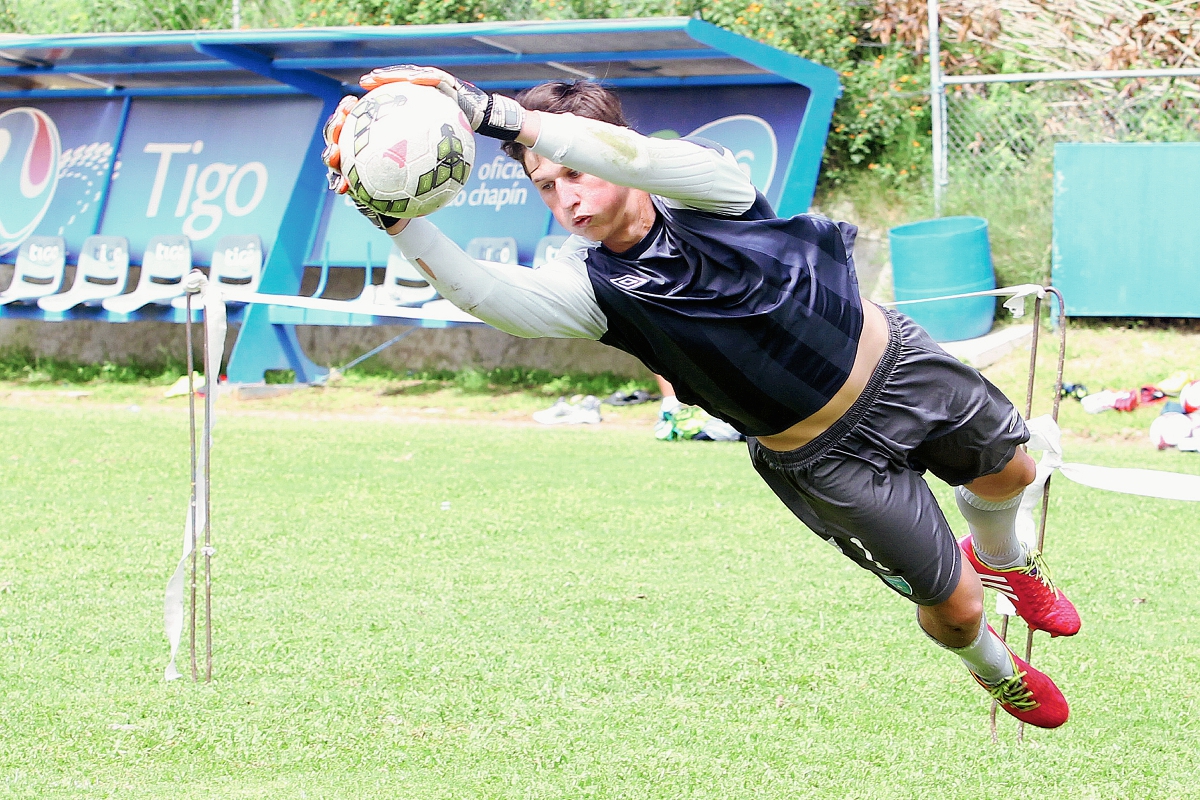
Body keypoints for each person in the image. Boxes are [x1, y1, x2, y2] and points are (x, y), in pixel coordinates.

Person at [321, 67, 1080, 728]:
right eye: (546, 186)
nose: (567, 196)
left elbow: (636, 156)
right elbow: (492, 297)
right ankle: (993, 669)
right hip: (825, 463)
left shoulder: (706, 184)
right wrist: (393, 219)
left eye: (574, 171)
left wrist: (493, 113)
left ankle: (1007, 558)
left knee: (1011, 473)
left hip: (900, 370)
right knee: (957, 612)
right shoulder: (595, 289)